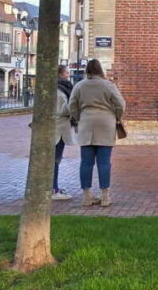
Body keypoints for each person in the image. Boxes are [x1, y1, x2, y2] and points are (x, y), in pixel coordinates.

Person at [69, 59, 126, 208]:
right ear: (100, 69)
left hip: (86, 122)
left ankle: (86, 196)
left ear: (87, 70)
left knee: (86, 162)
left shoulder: (79, 86)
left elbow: (72, 106)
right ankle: (105, 195)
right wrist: (116, 116)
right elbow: (121, 104)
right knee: (104, 161)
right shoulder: (108, 85)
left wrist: (78, 117)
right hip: (106, 122)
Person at [53, 64, 76, 201]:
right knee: (55, 159)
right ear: (61, 74)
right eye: (67, 73)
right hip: (58, 128)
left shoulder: (56, 88)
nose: (69, 75)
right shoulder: (60, 90)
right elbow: (63, 109)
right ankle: (53, 189)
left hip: (57, 127)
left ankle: (53, 187)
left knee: (56, 158)